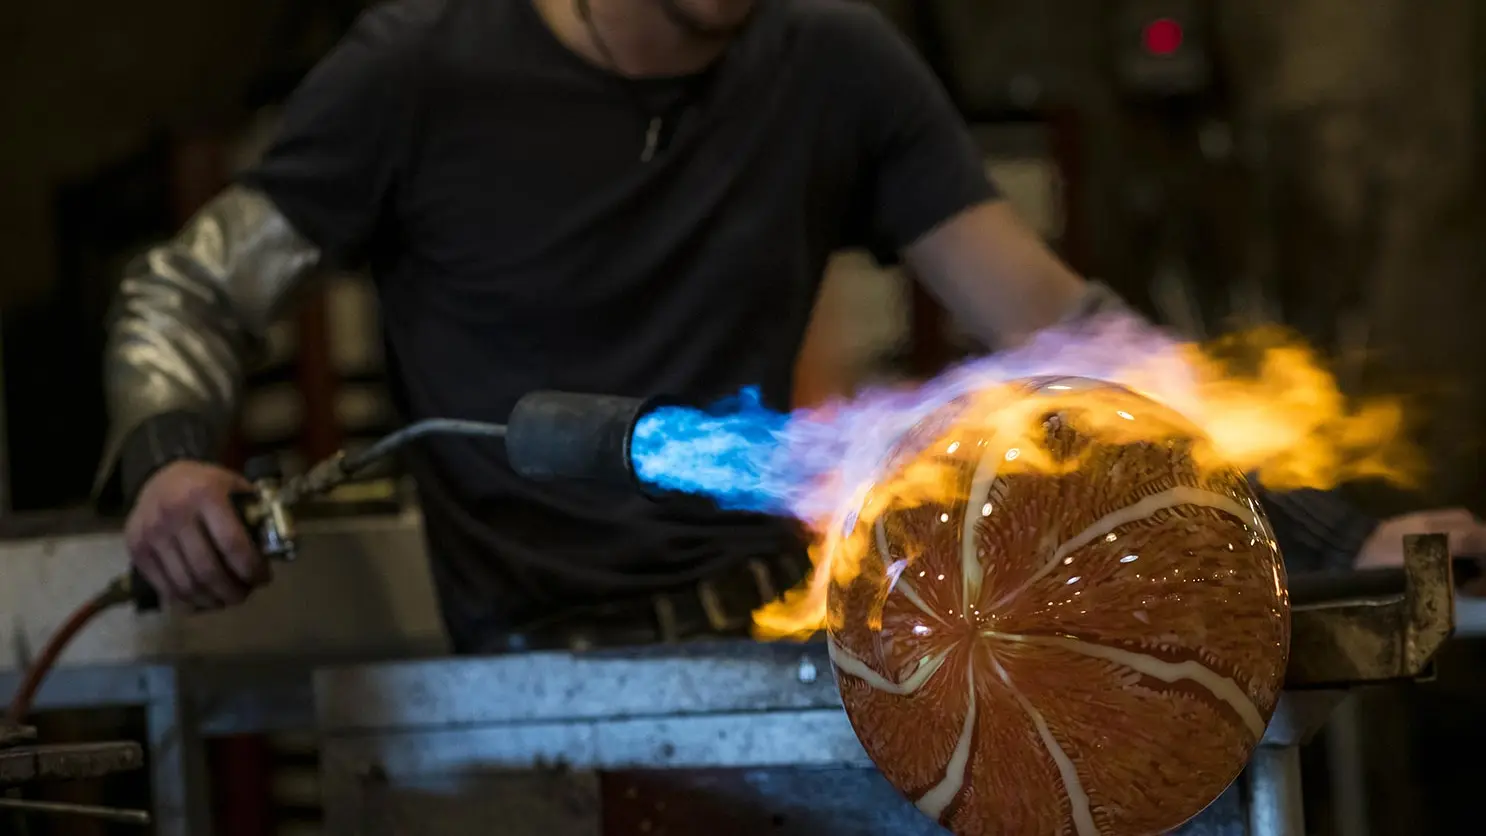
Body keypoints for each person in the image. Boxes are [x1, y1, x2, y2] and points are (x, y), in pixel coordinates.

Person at [97, 0, 1486, 654]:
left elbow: (1072, 337)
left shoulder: (834, 63)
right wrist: (168, 459)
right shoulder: (419, 69)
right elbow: (188, 288)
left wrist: (1327, 536)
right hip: (530, 673)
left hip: (792, 629)